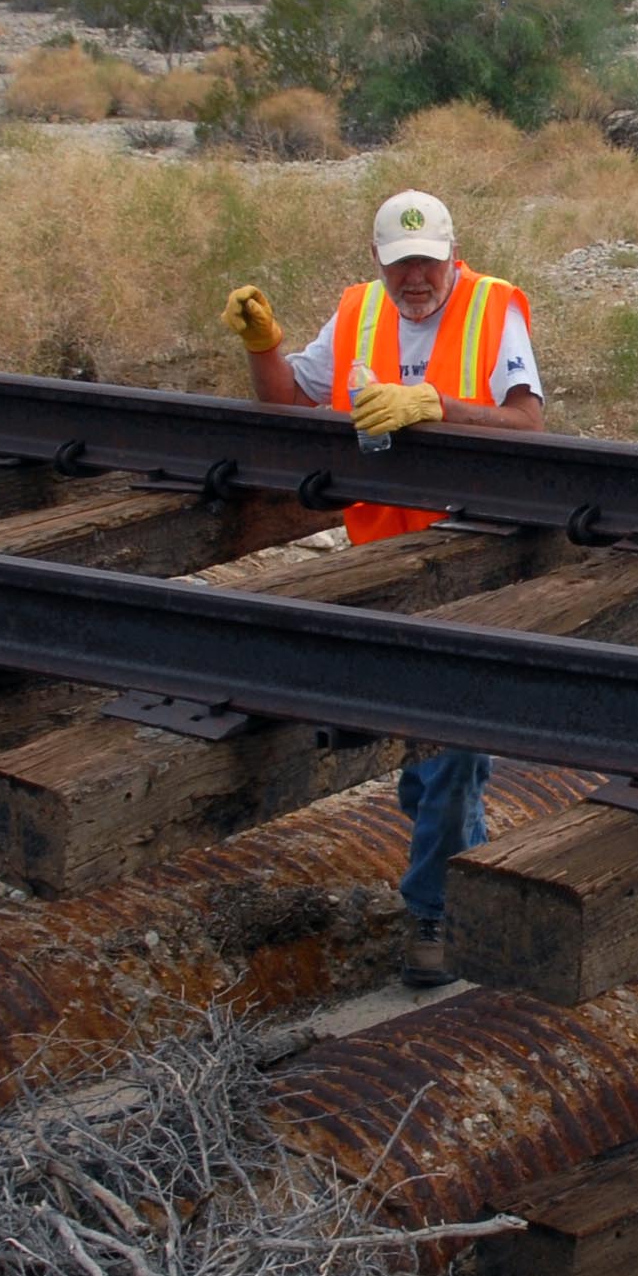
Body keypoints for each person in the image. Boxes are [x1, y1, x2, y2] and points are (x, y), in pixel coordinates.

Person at [222, 187, 543, 988]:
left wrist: (436, 407)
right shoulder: (359, 313)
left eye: (428, 263)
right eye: (401, 266)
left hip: (472, 556)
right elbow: (291, 405)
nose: (416, 281)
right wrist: (265, 346)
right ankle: (453, 876)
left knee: (450, 744)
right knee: (426, 755)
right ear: (379, 261)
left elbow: (529, 425)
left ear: (451, 254)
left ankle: (435, 909)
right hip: (380, 559)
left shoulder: (494, 307)